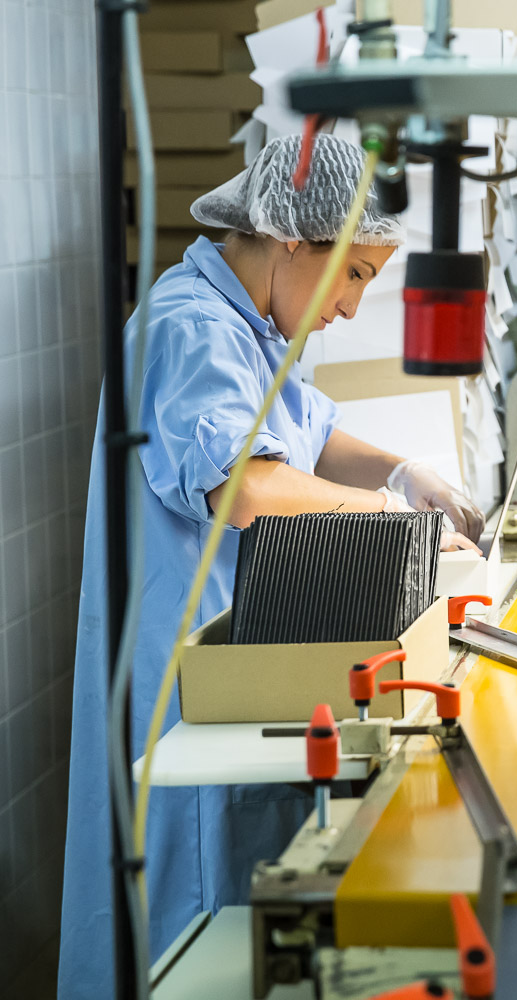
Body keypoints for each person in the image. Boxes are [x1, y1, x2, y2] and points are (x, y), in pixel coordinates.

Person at [59, 134, 486, 998]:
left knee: (238, 896)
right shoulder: (189, 328)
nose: (355, 306)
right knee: (186, 919)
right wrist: (387, 518)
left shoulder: (249, 325)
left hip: (241, 658)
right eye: (357, 275)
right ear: (293, 239)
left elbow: (312, 434)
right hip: (178, 676)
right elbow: (249, 490)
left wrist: (405, 471)